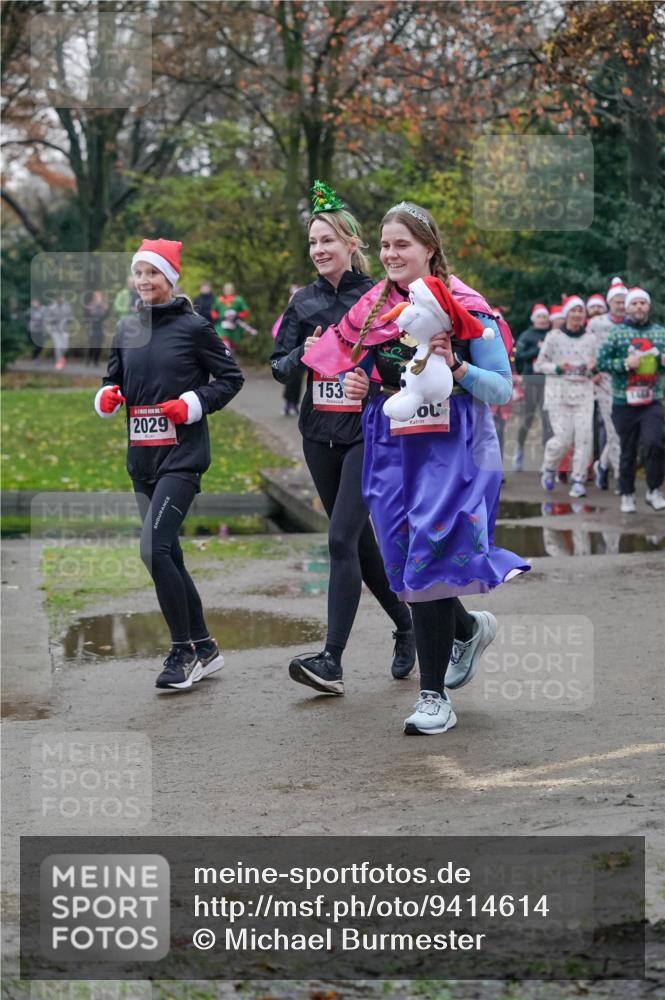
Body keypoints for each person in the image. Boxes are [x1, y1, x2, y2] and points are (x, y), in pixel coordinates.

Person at [302, 201, 529, 735]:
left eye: (402, 244)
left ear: (430, 248)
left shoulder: (467, 305)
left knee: (428, 550)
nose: (390, 254)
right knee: (405, 559)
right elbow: (360, 373)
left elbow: (499, 388)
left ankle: (434, 698)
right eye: (384, 245)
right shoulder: (371, 308)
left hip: (453, 450)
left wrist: (456, 365)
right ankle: (467, 630)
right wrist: (361, 388)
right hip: (391, 446)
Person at [270, 181, 416, 696]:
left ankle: (331, 660)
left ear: (352, 244)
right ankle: (407, 624)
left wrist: (371, 380)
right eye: (312, 243)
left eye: (327, 240)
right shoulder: (303, 302)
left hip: (366, 431)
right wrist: (303, 356)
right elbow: (279, 369)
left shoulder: (381, 299)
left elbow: (404, 366)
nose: (319, 250)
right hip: (318, 432)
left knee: (338, 538)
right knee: (354, 540)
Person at [94, 238, 244, 691]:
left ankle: (183, 653)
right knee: (169, 554)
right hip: (141, 459)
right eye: (139, 273)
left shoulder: (195, 327)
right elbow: (111, 379)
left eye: (153, 273)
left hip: (182, 458)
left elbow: (231, 379)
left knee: (152, 549)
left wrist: (193, 403)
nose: (144, 281)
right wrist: (105, 397)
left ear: (170, 279)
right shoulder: (125, 328)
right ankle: (205, 647)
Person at [597, 286, 665, 513]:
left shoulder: (659, 332)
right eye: (634, 303)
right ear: (628, 307)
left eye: (642, 303)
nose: (639, 307)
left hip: (651, 400)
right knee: (628, 450)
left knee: (655, 443)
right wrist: (626, 364)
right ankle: (627, 494)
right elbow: (602, 362)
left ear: (648, 306)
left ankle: (654, 490)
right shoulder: (617, 333)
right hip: (623, 401)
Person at [534, 295, 597, 498]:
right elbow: (539, 365)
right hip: (558, 394)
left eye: (581, 311)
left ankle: (577, 480)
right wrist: (559, 367)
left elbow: (595, 367)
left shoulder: (591, 339)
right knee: (563, 439)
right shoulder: (554, 337)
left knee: (584, 438)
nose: (577, 314)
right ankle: (549, 466)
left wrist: (592, 369)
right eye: (574, 310)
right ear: (567, 313)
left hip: (584, 394)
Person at [587, 276, 627, 491]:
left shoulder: (632, 324)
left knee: (622, 431)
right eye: (617, 301)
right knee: (614, 430)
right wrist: (592, 370)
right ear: (610, 302)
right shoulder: (596, 323)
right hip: (604, 382)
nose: (621, 305)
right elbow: (587, 348)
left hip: (628, 382)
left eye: (623, 301)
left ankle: (602, 465)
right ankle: (622, 478)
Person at [513, 303, 553, 470]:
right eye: (540, 317)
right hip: (531, 380)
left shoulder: (553, 335)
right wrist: (537, 351)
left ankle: (548, 459)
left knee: (547, 420)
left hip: (549, 381)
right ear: (534, 319)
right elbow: (519, 355)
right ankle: (519, 449)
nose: (543, 320)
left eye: (545, 317)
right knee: (528, 417)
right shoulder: (527, 335)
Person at [272, 284, 303, 415]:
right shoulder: (286, 315)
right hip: (289, 352)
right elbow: (276, 331)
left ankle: (294, 403)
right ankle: (288, 403)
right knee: (290, 378)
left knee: (298, 380)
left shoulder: (305, 315)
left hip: (301, 353)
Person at [216, 282, 252, 351]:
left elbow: (246, 312)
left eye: (229, 289)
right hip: (221, 327)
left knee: (232, 349)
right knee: (225, 345)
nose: (228, 291)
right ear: (223, 290)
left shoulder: (238, 300)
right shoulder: (218, 300)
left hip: (235, 328)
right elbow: (213, 311)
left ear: (233, 290)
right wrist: (219, 317)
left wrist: (237, 316)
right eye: (226, 289)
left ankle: (230, 359)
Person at [45, 294, 73, 370]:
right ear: (56, 299)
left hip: (65, 330)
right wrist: (53, 320)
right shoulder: (51, 308)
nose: (60, 299)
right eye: (59, 298)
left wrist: (69, 320)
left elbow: (71, 317)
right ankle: (59, 362)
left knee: (65, 347)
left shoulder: (67, 307)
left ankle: (62, 358)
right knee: (58, 347)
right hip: (55, 330)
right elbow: (47, 319)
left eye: (62, 298)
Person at [84, 290, 109, 366]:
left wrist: (106, 310)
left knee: (99, 343)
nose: (98, 298)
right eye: (97, 296)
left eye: (99, 296)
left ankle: (96, 361)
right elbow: (89, 316)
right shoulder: (90, 306)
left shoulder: (103, 306)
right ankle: (89, 359)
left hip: (101, 327)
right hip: (92, 327)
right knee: (93, 344)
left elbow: (106, 317)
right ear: (94, 297)